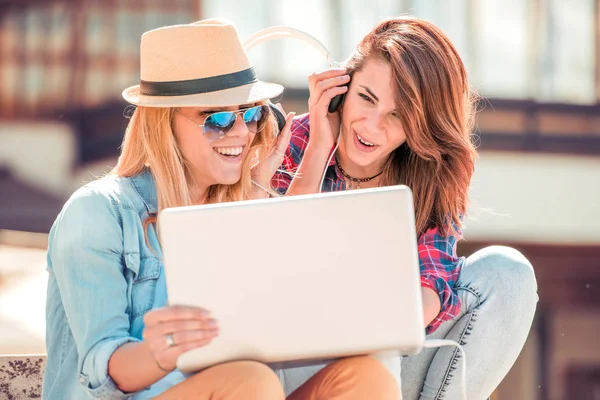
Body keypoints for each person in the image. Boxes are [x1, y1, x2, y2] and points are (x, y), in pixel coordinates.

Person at [43, 19, 399, 400]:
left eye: (250, 114)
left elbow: (293, 285)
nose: (242, 133)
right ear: (164, 125)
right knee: (249, 382)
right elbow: (102, 367)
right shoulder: (98, 212)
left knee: (365, 378)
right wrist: (158, 353)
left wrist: (310, 152)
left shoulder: (232, 211)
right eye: (218, 119)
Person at [272, 16, 539, 400]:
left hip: (389, 348)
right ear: (342, 88)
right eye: (366, 97)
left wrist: (377, 323)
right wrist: (318, 145)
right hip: (303, 360)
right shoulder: (297, 137)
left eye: (398, 115)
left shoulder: (433, 171)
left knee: (508, 274)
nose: (372, 126)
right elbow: (276, 262)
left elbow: (431, 286)